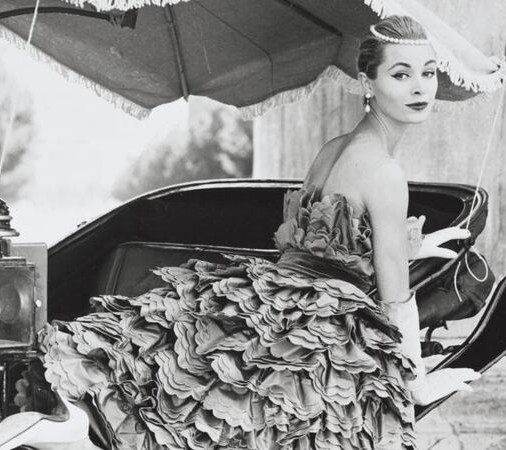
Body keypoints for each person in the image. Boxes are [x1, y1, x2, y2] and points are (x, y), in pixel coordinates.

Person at [36, 15, 481, 450]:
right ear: (368, 82)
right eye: (401, 74)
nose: (420, 87)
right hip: (316, 325)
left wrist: (407, 245)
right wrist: (416, 383)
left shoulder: (335, 149)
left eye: (428, 72)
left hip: (277, 297)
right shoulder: (385, 172)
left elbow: (323, 242)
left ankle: (69, 428)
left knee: (185, 402)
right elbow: (394, 298)